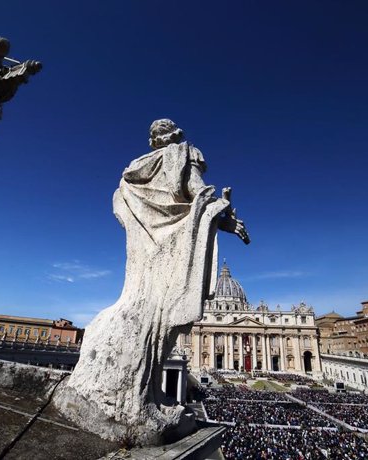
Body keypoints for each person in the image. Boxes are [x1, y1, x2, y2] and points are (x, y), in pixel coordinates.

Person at [57, 119, 249, 443]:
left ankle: (139, 396)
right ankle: (141, 402)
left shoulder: (129, 178)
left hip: (145, 250)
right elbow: (199, 194)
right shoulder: (182, 155)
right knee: (159, 321)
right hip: (172, 251)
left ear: (152, 141)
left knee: (143, 312)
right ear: (175, 135)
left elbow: (121, 210)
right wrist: (226, 218)